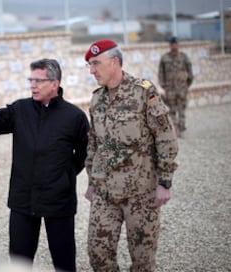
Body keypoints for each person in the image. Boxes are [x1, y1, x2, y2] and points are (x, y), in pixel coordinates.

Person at [0, 58, 89, 272]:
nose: (32, 85)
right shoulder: (21, 109)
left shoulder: (75, 117)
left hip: (59, 201)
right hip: (23, 200)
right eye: (31, 79)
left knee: (63, 262)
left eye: (38, 80)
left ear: (55, 83)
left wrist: (65, 175)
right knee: (18, 262)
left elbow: (84, 154)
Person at [83, 39, 178, 272]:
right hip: (105, 191)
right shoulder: (97, 99)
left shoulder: (143, 92)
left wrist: (164, 182)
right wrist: (92, 181)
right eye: (89, 65)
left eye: (96, 63)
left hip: (141, 192)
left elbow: (165, 137)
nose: (92, 70)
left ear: (114, 62)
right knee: (98, 253)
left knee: (142, 261)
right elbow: (94, 143)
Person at [158, 36, 193, 137]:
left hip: (182, 88)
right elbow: (161, 73)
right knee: (172, 110)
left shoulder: (184, 57)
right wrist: (164, 86)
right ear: (170, 45)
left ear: (178, 44)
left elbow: (190, 72)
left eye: (175, 43)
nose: (174, 45)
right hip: (170, 89)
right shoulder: (164, 58)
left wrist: (187, 85)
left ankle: (181, 130)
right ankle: (175, 130)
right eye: (172, 44)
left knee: (181, 110)